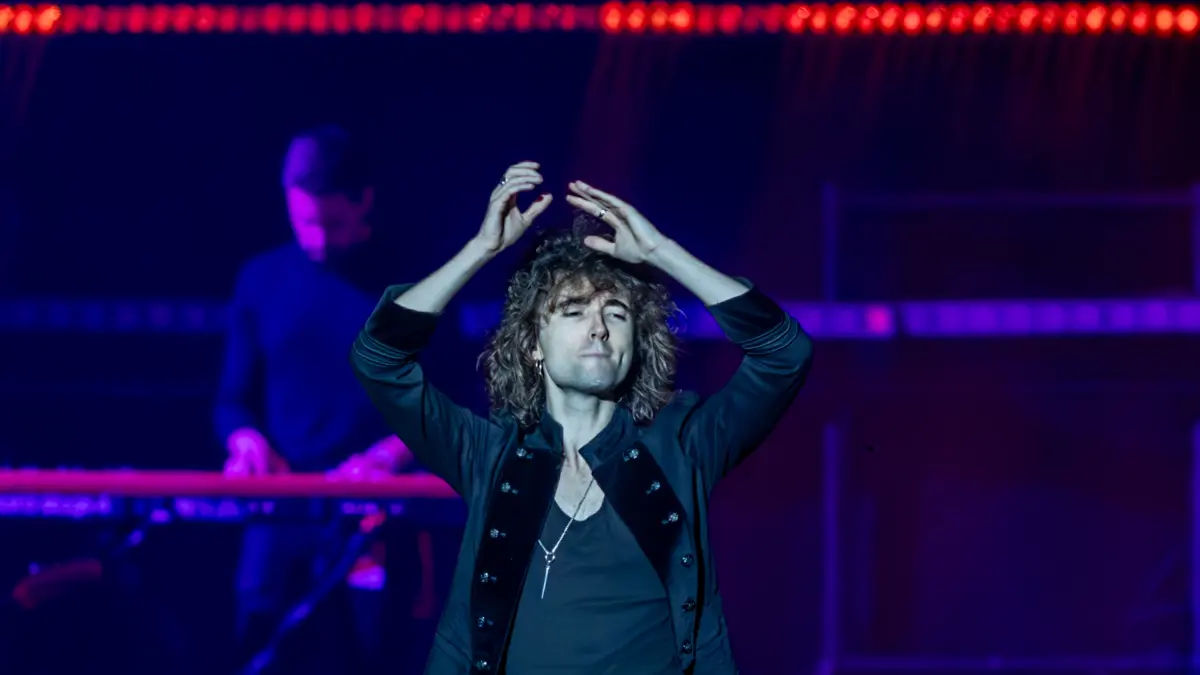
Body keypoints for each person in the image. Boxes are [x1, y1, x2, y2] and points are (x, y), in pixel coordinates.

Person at [350, 160, 815, 674]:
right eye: (573, 311)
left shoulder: (684, 446)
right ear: (533, 345)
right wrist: (481, 249)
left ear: (637, 342)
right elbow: (379, 359)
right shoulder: (487, 454)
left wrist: (661, 252)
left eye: (616, 313)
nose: (599, 328)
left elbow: (784, 354)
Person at [215, 125, 420, 675]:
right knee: (257, 645)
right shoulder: (260, 279)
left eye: (333, 224)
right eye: (306, 223)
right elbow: (231, 400)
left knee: (370, 651)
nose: (319, 240)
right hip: (280, 506)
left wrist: (388, 456)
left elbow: (448, 401)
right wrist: (247, 442)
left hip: (374, 509)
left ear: (364, 201)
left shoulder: (413, 283)